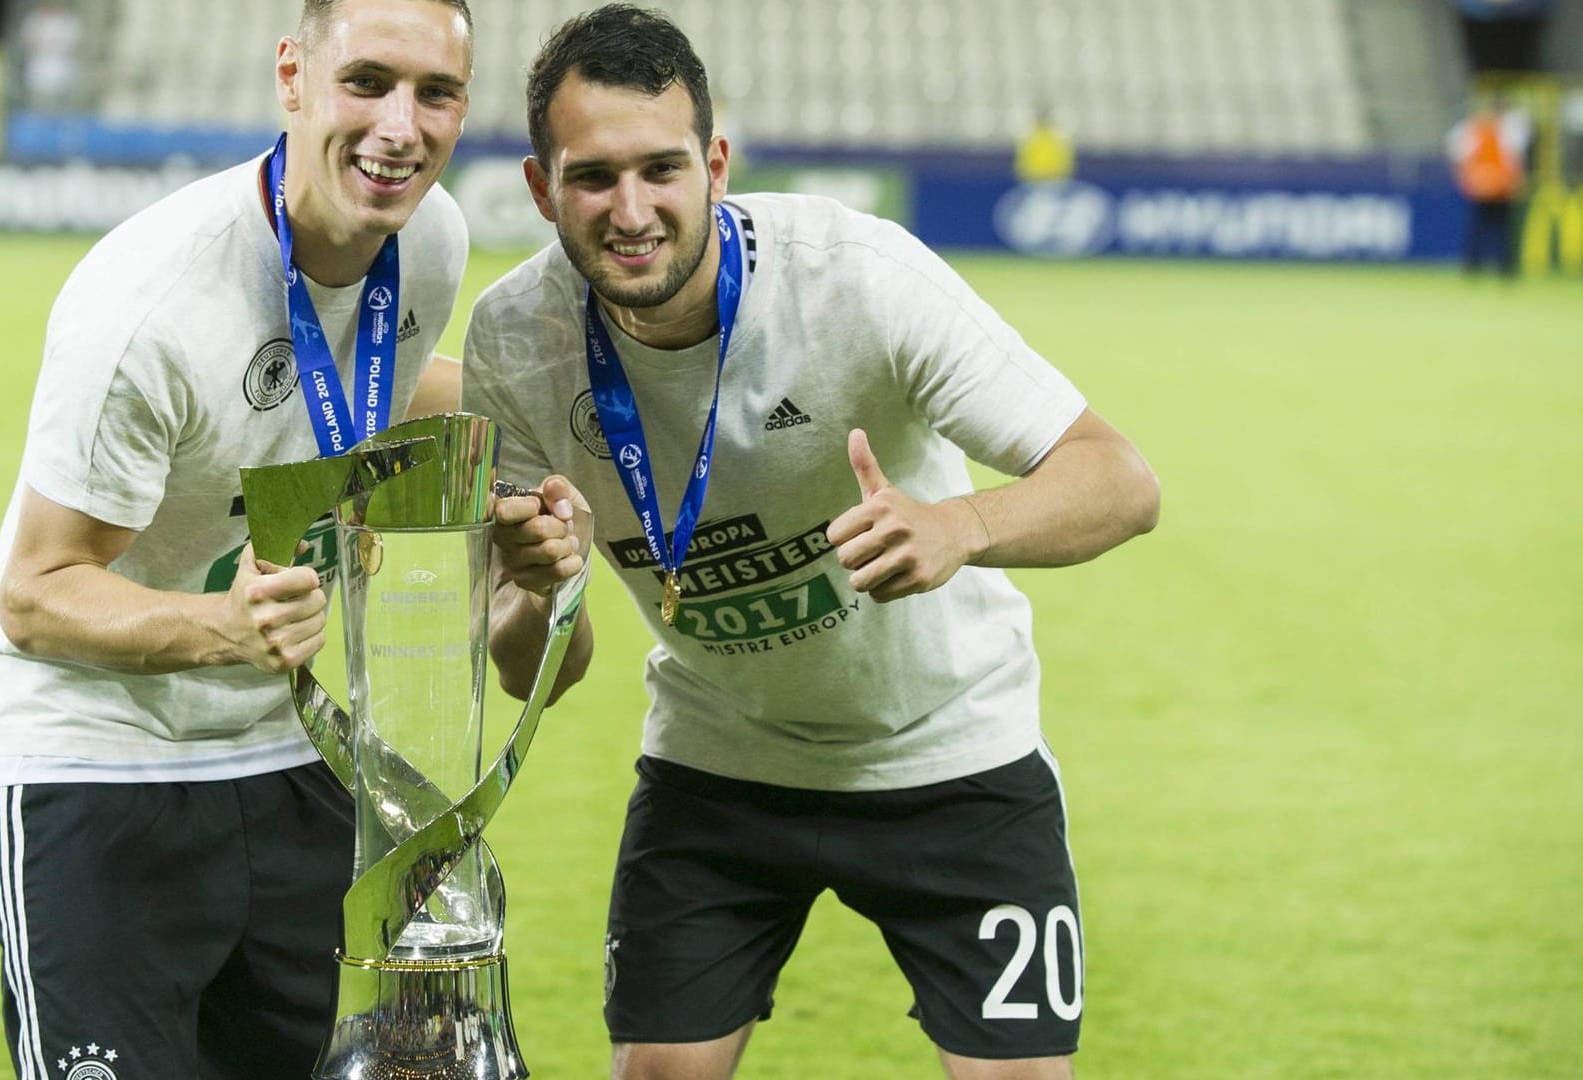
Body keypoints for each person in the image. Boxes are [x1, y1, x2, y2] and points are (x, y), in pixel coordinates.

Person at [462, 7, 1159, 1079]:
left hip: (951, 747)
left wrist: (961, 526)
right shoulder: (514, 342)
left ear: (717, 165)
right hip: (719, 760)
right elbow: (531, 677)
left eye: (663, 168)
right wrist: (536, 592)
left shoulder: (859, 278)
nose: (633, 209)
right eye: (594, 176)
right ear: (541, 187)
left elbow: (1119, 478)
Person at [0, 1, 473, 1076]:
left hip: (284, 745)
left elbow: (386, 394)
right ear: (293, 76)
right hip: (84, 756)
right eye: (367, 81)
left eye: (437, 94)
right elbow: (37, 592)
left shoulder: (432, 239)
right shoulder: (150, 304)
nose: (401, 127)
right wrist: (222, 626)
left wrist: (536, 451)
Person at [1447, 94, 1531, 277]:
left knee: (1482, 228)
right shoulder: (1508, 131)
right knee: (1499, 228)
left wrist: (1464, 178)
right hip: (1498, 186)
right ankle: (1502, 268)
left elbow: (1458, 154)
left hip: (1486, 186)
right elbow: (1515, 160)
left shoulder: (1475, 128)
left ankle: (1476, 267)